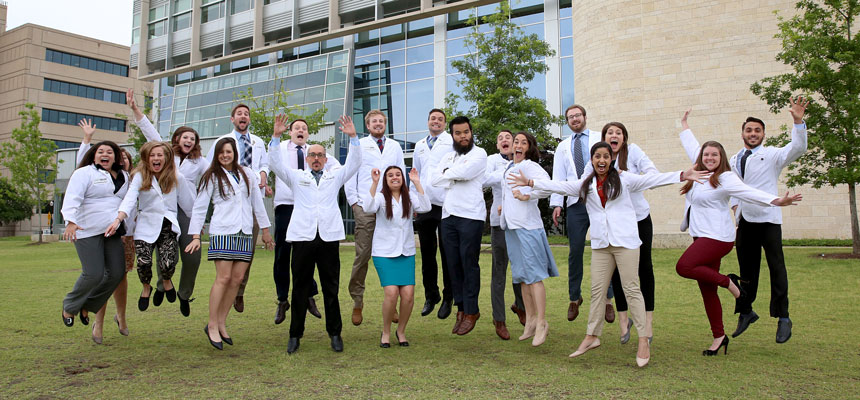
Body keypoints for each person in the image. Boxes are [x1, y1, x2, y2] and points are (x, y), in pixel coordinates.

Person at [512, 141, 707, 367]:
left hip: (626, 243)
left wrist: (683, 174)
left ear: (611, 159)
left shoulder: (625, 179)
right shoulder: (586, 184)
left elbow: (652, 180)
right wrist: (531, 182)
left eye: (606, 156)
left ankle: (643, 339)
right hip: (601, 244)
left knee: (632, 289)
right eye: (597, 156)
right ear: (592, 160)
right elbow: (560, 186)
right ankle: (592, 336)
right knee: (597, 291)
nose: (601, 160)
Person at [678, 110, 802, 356]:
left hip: (719, 236)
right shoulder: (705, 170)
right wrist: (684, 126)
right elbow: (695, 148)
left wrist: (776, 201)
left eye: (714, 155)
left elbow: (748, 192)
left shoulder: (726, 176)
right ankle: (719, 336)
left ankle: (735, 287)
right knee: (707, 289)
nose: (709, 157)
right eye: (706, 154)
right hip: (707, 233)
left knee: (684, 266)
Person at [268, 114, 362, 354]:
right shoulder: (296, 177)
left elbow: (354, 164)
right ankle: (295, 335)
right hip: (303, 238)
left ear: (326, 159)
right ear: (307, 159)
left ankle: (335, 333)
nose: (317, 158)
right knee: (299, 288)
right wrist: (276, 136)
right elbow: (276, 164)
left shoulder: (334, 176)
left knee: (331, 288)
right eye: (313, 155)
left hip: (328, 238)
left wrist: (353, 137)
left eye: (321, 155)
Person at [728, 97, 808, 343]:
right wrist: (736, 209)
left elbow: (797, 148)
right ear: (742, 133)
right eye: (749, 130)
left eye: (757, 130)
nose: (753, 134)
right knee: (746, 271)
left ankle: (783, 317)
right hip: (746, 221)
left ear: (763, 134)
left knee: (776, 268)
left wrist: (798, 122)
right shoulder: (734, 158)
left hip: (769, 221)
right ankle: (746, 311)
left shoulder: (772, 155)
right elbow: (733, 187)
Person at [186, 138, 274, 350]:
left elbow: (257, 203)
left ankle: (222, 321)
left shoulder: (247, 174)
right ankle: (212, 324)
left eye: (229, 151)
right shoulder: (211, 176)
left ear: (235, 152)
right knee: (223, 278)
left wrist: (265, 231)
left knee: (237, 279)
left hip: (244, 231)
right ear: (216, 155)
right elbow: (200, 207)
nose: (225, 155)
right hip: (223, 231)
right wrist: (196, 236)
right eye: (221, 152)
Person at [128, 89, 208, 317]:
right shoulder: (164, 155)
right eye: (185, 137)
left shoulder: (200, 162)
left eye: (193, 139)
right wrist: (135, 109)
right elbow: (149, 131)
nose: (189, 141)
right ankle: (162, 284)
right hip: (163, 210)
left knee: (192, 257)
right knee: (162, 248)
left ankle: (184, 294)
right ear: (177, 139)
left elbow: (216, 170)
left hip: (187, 211)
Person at [106, 142, 195, 318]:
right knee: (144, 262)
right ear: (146, 158)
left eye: (159, 155)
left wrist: (197, 228)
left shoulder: (177, 176)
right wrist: (118, 219)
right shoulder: (140, 176)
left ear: (167, 157)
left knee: (168, 262)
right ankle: (146, 287)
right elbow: (130, 199)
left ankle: (167, 280)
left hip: (167, 224)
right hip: (145, 224)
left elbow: (188, 205)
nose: (156, 159)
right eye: (152, 155)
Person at [596, 122, 660, 344]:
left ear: (623, 138)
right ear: (604, 138)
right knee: (616, 270)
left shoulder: (633, 152)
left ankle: (648, 321)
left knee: (644, 268)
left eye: (618, 133)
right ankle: (623, 320)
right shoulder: (600, 157)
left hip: (639, 219)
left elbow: (653, 175)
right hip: (616, 224)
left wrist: (629, 177)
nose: (614, 136)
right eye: (609, 133)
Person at [61, 140, 130, 344]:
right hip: (87, 230)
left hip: (112, 231)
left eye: (110, 152)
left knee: (117, 273)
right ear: (94, 155)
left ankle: (88, 305)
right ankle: (70, 306)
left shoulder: (124, 176)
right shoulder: (84, 173)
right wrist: (70, 221)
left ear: (116, 157)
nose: (105, 155)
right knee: (93, 273)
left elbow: (129, 200)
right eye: (100, 151)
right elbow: (72, 196)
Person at [271, 118, 338, 324]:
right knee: (283, 254)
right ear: (290, 132)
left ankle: (309, 294)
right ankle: (283, 299)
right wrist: (275, 136)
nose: (300, 130)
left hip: (310, 207)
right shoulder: (281, 147)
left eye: (304, 128)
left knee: (309, 252)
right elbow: (272, 162)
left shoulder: (315, 152)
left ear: (307, 134)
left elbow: (337, 168)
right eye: (296, 128)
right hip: (286, 204)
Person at [552, 105, 614, 324]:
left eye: (577, 115)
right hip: (575, 203)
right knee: (575, 251)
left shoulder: (599, 138)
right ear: (567, 122)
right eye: (570, 117)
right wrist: (557, 203)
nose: (574, 119)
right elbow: (558, 175)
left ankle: (608, 299)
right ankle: (574, 297)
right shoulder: (563, 146)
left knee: (605, 247)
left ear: (585, 117)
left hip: (599, 200)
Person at [74, 121, 136, 342]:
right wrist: (87, 140)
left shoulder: (130, 180)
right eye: (122, 157)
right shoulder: (96, 175)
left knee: (120, 277)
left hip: (126, 234)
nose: (123, 160)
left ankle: (121, 317)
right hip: (100, 230)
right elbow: (82, 168)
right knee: (104, 275)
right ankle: (98, 322)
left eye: (125, 158)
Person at [206, 103, 270, 313]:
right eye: (239, 114)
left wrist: (263, 175)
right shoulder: (222, 141)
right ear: (232, 119)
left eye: (246, 114)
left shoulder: (258, 142)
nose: (243, 116)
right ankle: (223, 301)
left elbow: (264, 164)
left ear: (249, 119)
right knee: (226, 268)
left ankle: (239, 291)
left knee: (246, 254)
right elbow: (209, 166)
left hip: (251, 198)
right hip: (228, 201)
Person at [344, 110, 406, 326]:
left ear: (385, 124)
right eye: (374, 122)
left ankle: (392, 301)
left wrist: (404, 200)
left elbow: (401, 174)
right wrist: (354, 202)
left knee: (391, 254)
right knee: (363, 255)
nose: (378, 124)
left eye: (381, 121)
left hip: (390, 205)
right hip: (366, 205)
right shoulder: (359, 145)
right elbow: (349, 172)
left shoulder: (394, 146)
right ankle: (357, 301)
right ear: (368, 125)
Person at [496, 132, 557, 346]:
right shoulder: (509, 167)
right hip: (511, 227)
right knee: (522, 277)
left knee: (534, 276)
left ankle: (541, 322)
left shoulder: (530, 166)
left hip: (528, 227)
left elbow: (547, 186)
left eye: (524, 143)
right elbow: (510, 192)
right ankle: (530, 320)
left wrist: (528, 195)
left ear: (529, 147)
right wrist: (505, 206)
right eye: (516, 142)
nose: (518, 145)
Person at [361, 166, 431, 347]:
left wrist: (417, 182)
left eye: (398, 175)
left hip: (405, 252)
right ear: (385, 179)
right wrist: (374, 183)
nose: (395, 178)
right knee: (391, 293)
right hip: (384, 252)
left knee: (408, 295)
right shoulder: (380, 197)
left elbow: (426, 207)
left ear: (402, 178)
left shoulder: (410, 196)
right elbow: (367, 207)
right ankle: (386, 331)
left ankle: (401, 331)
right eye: (390, 175)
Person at [431, 116, 487, 336]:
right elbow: (434, 179)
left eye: (466, 132)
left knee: (468, 263)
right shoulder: (448, 156)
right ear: (452, 135)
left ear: (471, 132)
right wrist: (452, 175)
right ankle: (461, 308)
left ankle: (472, 311)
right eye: (458, 133)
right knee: (452, 265)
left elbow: (465, 173)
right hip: (448, 216)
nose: (463, 136)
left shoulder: (479, 154)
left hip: (471, 215)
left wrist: (449, 174)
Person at [411, 109, 455, 319]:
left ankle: (448, 297)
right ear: (428, 121)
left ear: (444, 124)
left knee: (447, 254)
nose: (436, 121)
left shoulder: (451, 142)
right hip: (424, 204)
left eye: (440, 119)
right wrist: (414, 201)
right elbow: (415, 173)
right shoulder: (420, 145)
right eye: (433, 118)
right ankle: (431, 295)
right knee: (427, 254)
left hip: (446, 204)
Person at [482, 130, 526, 339]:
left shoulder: (524, 161)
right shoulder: (492, 160)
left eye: (509, 137)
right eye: (500, 138)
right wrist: (507, 171)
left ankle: (520, 305)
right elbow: (484, 180)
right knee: (499, 272)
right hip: (500, 222)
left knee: (521, 268)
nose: (505, 140)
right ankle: (499, 319)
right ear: (498, 145)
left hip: (520, 222)